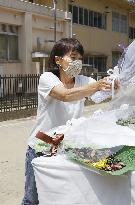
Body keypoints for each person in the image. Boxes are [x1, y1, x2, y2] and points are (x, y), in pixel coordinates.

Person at [22, 38, 118, 205]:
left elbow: (101, 94)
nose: (78, 62)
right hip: (41, 148)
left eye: (80, 58)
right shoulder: (48, 78)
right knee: (32, 199)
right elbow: (65, 95)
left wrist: (114, 86)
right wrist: (96, 86)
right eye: (73, 57)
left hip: (65, 150)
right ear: (58, 60)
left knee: (60, 197)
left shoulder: (83, 81)